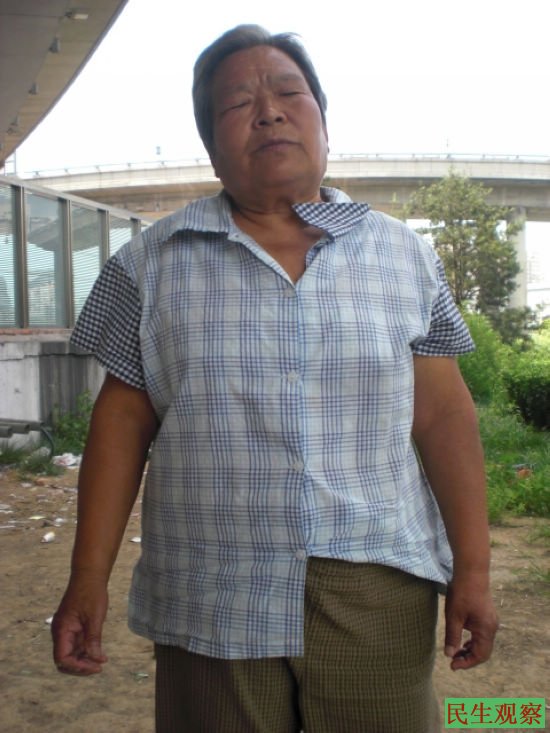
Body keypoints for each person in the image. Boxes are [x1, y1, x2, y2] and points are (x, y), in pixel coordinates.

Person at [52, 24, 498, 733]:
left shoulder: (403, 256)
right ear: (210, 144)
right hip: (210, 590)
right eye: (238, 104)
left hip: (376, 586)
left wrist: (473, 568)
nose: (268, 112)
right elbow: (121, 424)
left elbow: (444, 417)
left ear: (323, 120)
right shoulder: (150, 263)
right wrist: (87, 578)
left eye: (289, 93)